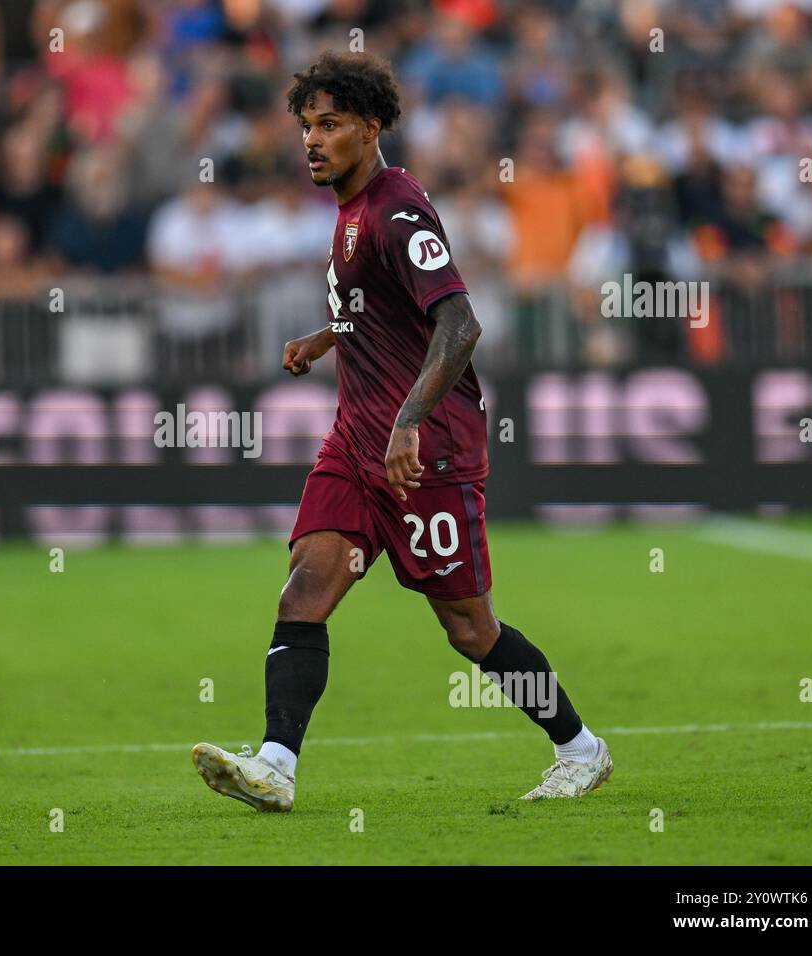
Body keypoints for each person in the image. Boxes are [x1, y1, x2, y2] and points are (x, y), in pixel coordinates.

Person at [192, 52, 612, 810]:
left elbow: (461, 323)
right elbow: (382, 304)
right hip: (358, 442)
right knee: (304, 593)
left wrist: (410, 422)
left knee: (469, 629)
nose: (312, 140)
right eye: (306, 126)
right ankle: (277, 766)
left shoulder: (397, 210)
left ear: (371, 126)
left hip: (426, 450)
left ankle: (580, 748)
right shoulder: (352, 211)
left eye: (331, 125)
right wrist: (330, 335)